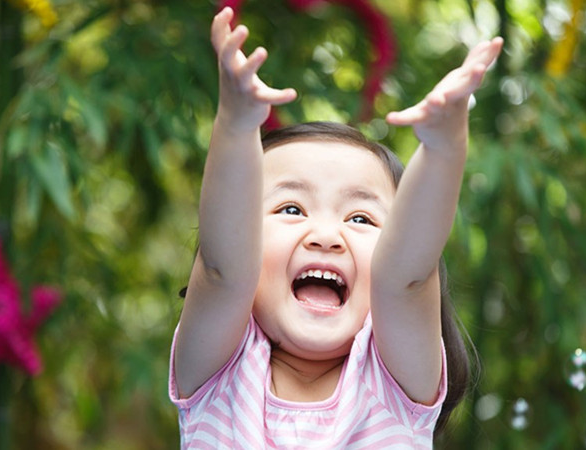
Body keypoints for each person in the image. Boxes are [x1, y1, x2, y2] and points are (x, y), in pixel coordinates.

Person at [169, 6, 502, 448]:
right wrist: (235, 122)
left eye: (361, 218)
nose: (325, 236)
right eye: (291, 209)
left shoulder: (397, 386)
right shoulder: (216, 373)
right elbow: (223, 269)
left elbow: (404, 276)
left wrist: (442, 150)